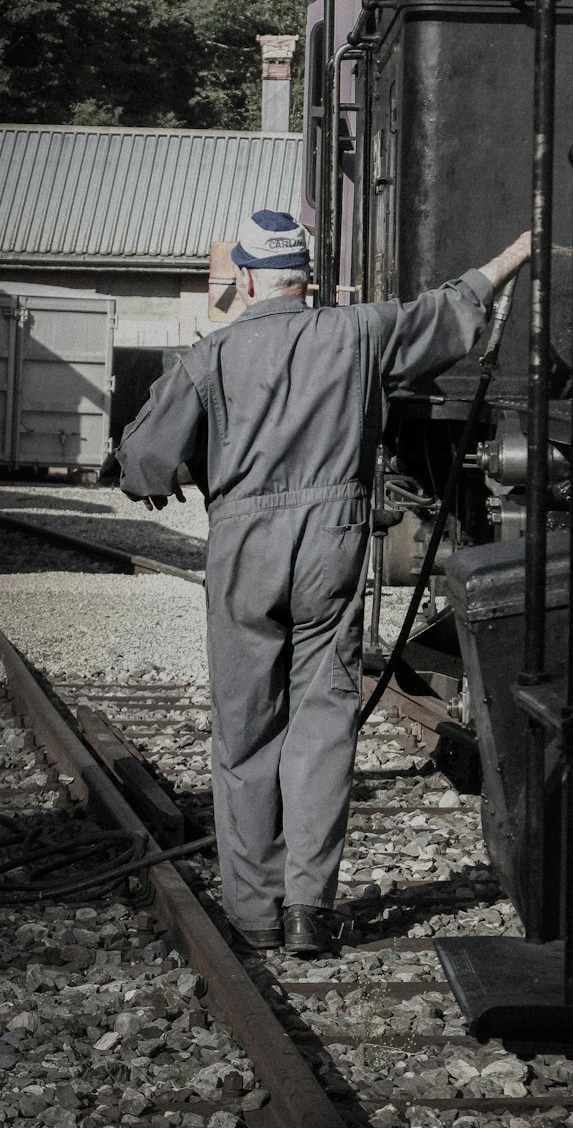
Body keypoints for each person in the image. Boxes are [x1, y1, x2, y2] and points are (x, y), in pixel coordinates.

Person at [116, 208, 531, 956]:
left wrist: (170, 471)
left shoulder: (210, 356)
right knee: (320, 726)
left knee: (246, 735)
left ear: (244, 275)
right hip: (331, 544)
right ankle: (309, 908)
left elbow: (142, 462)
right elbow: (448, 312)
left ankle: (254, 912)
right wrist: (516, 252)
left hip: (245, 547)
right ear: (304, 277)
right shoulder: (359, 332)